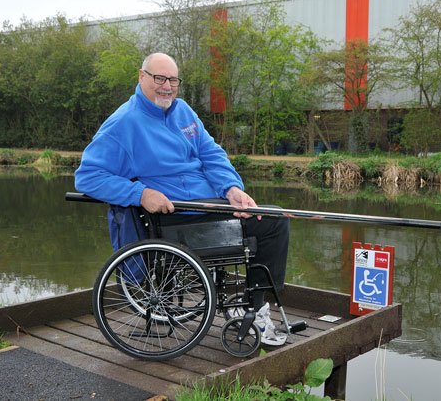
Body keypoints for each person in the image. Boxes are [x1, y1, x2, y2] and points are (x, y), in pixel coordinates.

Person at [75, 52, 289, 346]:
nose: (166, 86)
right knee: (273, 223)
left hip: (211, 204)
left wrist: (231, 189)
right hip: (177, 216)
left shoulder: (183, 111)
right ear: (141, 77)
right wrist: (140, 194)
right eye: (159, 78)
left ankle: (252, 303)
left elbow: (211, 154)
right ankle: (253, 307)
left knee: (267, 215)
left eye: (173, 80)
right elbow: (88, 176)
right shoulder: (123, 124)